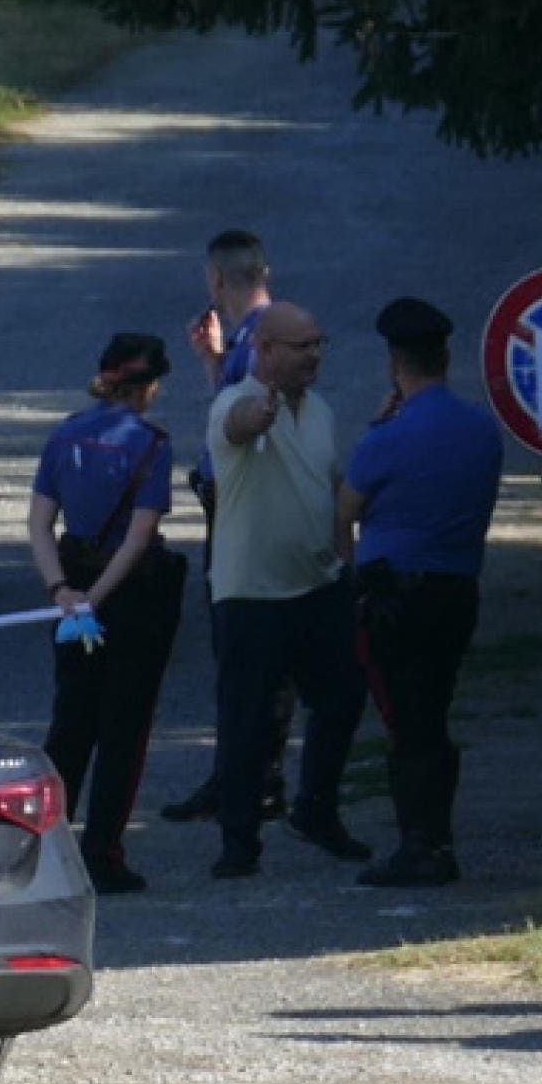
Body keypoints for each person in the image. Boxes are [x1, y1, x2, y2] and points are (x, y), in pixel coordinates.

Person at [339, 296, 504, 887]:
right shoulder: (481, 432)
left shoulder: (387, 438)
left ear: (395, 363)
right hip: (457, 591)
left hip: (395, 600)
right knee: (433, 712)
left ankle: (421, 844)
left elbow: (344, 513)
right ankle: (438, 837)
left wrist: (356, 575)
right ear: (446, 357)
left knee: (406, 724)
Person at [202, 302, 370, 877]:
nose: (315, 355)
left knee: (344, 699)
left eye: (320, 343)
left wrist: (346, 564)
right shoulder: (234, 402)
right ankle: (239, 841)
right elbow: (239, 423)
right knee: (247, 719)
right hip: (251, 593)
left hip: (318, 585)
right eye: (302, 347)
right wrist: (260, 413)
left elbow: (331, 490)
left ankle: (316, 810)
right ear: (266, 351)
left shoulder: (320, 410)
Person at [26, 333, 188, 892]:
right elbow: (140, 537)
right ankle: (103, 852)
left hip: (72, 586)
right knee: (125, 726)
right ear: (147, 388)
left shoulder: (65, 434)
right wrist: (100, 597)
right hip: (132, 597)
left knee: (71, 718)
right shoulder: (150, 446)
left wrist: (62, 591)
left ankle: (44, 845)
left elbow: (40, 524)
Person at [164, 228, 280, 827]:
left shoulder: (258, 343)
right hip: (241, 503)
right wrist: (212, 364)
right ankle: (248, 773)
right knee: (243, 645)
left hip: (241, 511)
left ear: (215, 280)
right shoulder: (255, 341)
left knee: (239, 644)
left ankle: (247, 778)